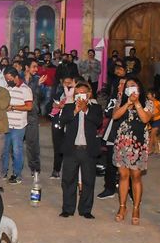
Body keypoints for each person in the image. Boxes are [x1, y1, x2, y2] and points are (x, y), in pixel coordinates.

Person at [111, 78, 153, 226]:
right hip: (122, 143)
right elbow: (115, 116)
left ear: (139, 87)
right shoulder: (121, 100)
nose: (130, 88)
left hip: (138, 144)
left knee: (136, 176)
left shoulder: (148, 102)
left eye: (133, 85)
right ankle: (122, 207)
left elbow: (145, 118)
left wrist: (136, 103)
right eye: (128, 86)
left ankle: (136, 208)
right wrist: (127, 103)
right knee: (123, 175)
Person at [58, 83, 102, 219]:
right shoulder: (69, 107)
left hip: (88, 150)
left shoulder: (95, 108)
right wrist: (76, 111)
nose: (79, 96)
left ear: (88, 95)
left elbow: (98, 122)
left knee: (89, 180)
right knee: (68, 180)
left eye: (82, 93)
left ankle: (85, 209)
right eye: (77, 93)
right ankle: (68, 208)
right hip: (72, 149)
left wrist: (85, 110)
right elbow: (62, 121)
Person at [97, 63, 128, 200]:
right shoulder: (114, 98)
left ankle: (129, 190)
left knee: (127, 162)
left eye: (124, 84)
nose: (121, 86)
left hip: (128, 133)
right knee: (110, 161)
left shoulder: (134, 99)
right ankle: (109, 188)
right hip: (113, 130)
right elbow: (109, 113)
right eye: (119, 84)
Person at [1, 67, 32, 185]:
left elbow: (29, 107)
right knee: (4, 150)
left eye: (9, 79)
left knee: (16, 151)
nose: (8, 81)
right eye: (6, 79)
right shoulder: (7, 88)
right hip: (6, 124)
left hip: (18, 126)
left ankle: (17, 174)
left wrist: (13, 107)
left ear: (16, 77)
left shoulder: (26, 89)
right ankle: (3, 172)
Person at [49, 76, 76, 179]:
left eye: (70, 83)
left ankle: (69, 172)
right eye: (65, 82)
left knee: (70, 148)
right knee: (58, 147)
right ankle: (56, 170)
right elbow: (48, 106)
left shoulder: (76, 95)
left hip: (70, 124)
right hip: (58, 122)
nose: (67, 85)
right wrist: (54, 105)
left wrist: (64, 106)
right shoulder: (58, 93)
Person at [23, 59, 44, 177]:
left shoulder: (37, 80)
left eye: (37, 67)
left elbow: (39, 96)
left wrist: (38, 85)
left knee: (32, 142)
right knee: (14, 144)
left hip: (32, 114)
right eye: (34, 67)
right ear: (27, 67)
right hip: (18, 113)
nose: (36, 69)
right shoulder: (19, 79)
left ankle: (35, 167)